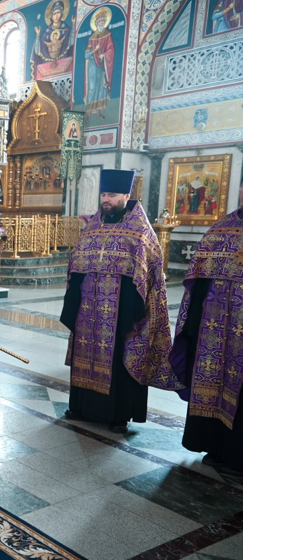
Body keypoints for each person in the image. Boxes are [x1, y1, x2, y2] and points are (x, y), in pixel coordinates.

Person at [59, 169, 182, 434]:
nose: (106, 200)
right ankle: (80, 408)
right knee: (84, 353)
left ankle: (118, 415)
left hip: (123, 311)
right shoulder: (92, 227)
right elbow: (76, 267)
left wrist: (130, 313)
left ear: (126, 196)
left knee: (118, 357)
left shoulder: (140, 231)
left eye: (112, 195)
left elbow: (149, 273)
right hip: (87, 311)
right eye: (104, 194)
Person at [169, 183, 242, 475]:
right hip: (215, 330)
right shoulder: (221, 229)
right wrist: (192, 326)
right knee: (214, 381)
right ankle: (215, 444)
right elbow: (197, 282)